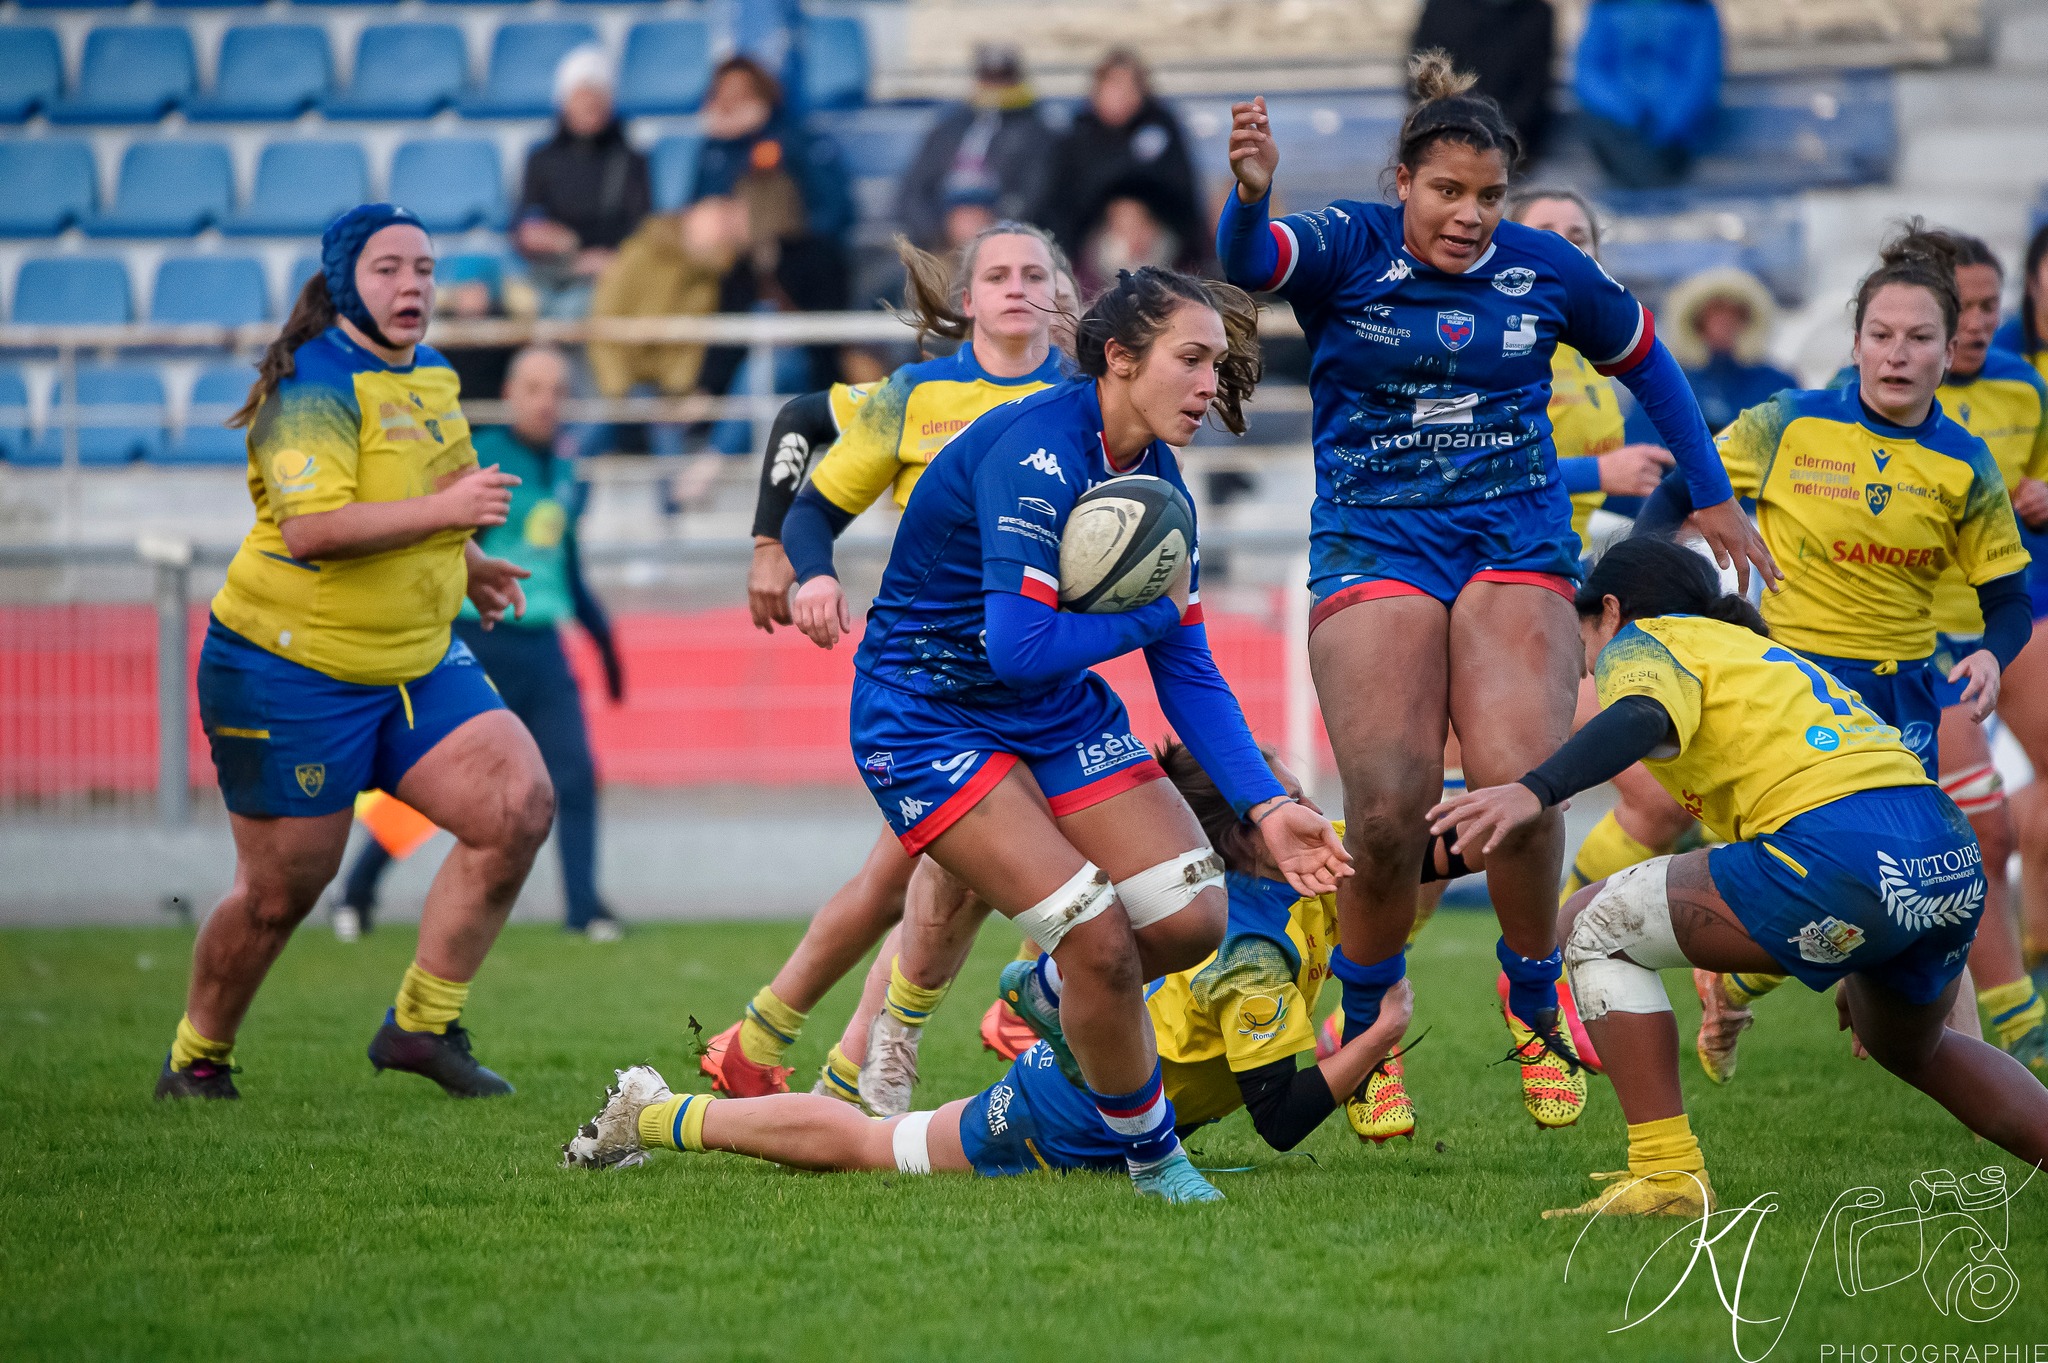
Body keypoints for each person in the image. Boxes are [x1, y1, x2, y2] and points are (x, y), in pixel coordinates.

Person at [1216, 53, 1773, 1140]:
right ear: (1402, 182)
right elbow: (1246, 262)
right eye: (1445, 193)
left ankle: (1530, 1001)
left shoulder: (1543, 269)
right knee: (1385, 810)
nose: (1468, 217)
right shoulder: (1343, 245)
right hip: (1372, 542)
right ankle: (1371, 1026)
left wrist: (1708, 497)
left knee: (1520, 783)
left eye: (1487, 197)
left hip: (1509, 539)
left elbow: (1649, 362)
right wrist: (1248, 192)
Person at [777, 266, 1353, 1203]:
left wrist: (1269, 805)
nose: (1211, 384)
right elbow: (1019, 645)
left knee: (1195, 916)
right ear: (1120, 358)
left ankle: (1044, 994)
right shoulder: (1036, 452)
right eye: (1192, 359)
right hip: (927, 717)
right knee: (1100, 939)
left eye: (1218, 364)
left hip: (1047, 709)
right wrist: (1147, 622)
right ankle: (1153, 1156)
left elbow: (1189, 666)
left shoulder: (1159, 480)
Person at [1432, 535, 2048, 1218]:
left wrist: (1533, 789)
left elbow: (1643, 715)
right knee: (1914, 1045)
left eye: (1581, 629)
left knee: (1589, 925)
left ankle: (1667, 1177)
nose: (1584, 657)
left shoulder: (1645, 640)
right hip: (1942, 849)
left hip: (1845, 851)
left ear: (1609, 609)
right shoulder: (1759, 654)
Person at [559, 743, 1497, 1180]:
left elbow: (1409, 851)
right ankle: (652, 1113)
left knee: (876, 1135)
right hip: (1070, 1112)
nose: (1294, 798)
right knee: (868, 1148)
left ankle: (1036, 997)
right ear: (1246, 830)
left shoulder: (1292, 854)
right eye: (1275, 792)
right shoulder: (1247, 953)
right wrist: (1382, 1032)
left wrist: (1513, 804)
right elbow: (1283, 1118)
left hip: (1114, 1069)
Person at [157, 205, 553, 1101]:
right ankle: (196, 1059)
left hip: (412, 658)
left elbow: (445, 491)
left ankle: (419, 1025)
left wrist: (475, 564)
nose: (411, 285)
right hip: (286, 668)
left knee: (518, 804)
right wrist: (451, 520)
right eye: (386, 269)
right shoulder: (312, 386)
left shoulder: (434, 379)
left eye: (423, 267)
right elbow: (313, 531)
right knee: (279, 893)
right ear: (344, 282)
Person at [1640, 227, 2038, 1076]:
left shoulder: (1966, 465)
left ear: (1949, 350)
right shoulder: (1789, 422)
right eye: (1882, 335)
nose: (1899, 354)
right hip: (1796, 690)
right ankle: (1942, 1063)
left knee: (1915, 893)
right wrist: (1647, 585)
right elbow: (1684, 483)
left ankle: (1748, 990)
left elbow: (2006, 598)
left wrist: (1996, 655)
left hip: (1902, 701)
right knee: (1837, 880)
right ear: (1854, 343)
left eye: (1920, 337)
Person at [700, 225, 1074, 1106]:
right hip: (934, 680)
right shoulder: (918, 394)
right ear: (967, 298)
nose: (1018, 288)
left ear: (1063, 294)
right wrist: (784, 555)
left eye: (1036, 274)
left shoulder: (1093, 394)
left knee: (901, 877)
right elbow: (799, 425)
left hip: (1039, 671)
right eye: (998, 275)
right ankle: (949, 1026)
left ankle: (771, 1042)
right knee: (949, 871)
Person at [331, 345, 628, 943]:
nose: (548, 401)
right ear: (512, 394)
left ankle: (584, 911)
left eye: (558, 390)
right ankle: (356, 893)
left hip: (543, 647)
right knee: (433, 788)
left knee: (573, 777)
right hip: (476, 639)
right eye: (535, 388)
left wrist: (605, 646)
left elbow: (565, 567)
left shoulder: (570, 470)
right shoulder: (483, 460)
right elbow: (442, 551)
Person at [689, 55, 856, 398]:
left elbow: (835, 210)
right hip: (727, 266)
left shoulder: (797, 143)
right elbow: (697, 215)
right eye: (723, 93)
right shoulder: (712, 151)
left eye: (741, 92)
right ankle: (703, 398)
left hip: (799, 266)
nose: (730, 102)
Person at [1034, 50, 1209, 283]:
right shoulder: (1078, 135)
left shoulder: (1163, 128)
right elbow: (1063, 202)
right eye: (1112, 87)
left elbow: (1183, 192)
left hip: (1160, 231)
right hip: (1094, 236)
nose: (1120, 97)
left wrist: (1144, 217)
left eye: (1128, 89)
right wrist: (1114, 214)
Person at [512, 47, 654, 320]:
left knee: (575, 308)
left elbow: (642, 229)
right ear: (564, 101)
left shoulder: (631, 161)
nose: (590, 104)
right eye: (581, 95)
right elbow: (524, 221)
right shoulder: (541, 159)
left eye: (597, 95)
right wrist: (538, 236)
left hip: (607, 275)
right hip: (551, 273)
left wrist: (609, 260)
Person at [895, 44, 1052, 253]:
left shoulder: (1037, 133)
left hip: (1007, 245)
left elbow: (1035, 195)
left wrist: (996, 227)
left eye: (1003, 79)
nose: (995, 87)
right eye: (988, 77)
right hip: (941, 243)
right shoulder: (948, 128)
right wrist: (938, 230)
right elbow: (913, 191)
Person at [1573, 0, 1723, 190]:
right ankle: (1654, 194)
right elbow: (1590, 71)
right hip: (1617, 125)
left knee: (1649, 159)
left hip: (1676, 133)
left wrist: (1667, 120)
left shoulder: (1696, 9)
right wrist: (1626, 112)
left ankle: (1646, 196)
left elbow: (1702, 76)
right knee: (1604, 129)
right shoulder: (1607, 7)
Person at [1408, 0, 1556, 162]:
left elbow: (1532, 93)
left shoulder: (1536, 14)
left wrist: (1497, 142)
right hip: (1444, 142)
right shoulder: (1441, 9)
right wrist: (1452, 136)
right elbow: (1424, 79)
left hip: (1512, 149)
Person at [1660, 266, 1799, 436]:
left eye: (1734, 312)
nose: (1725, 320)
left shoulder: (1776, 385)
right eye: (1716, 310)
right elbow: (1642, 442)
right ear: (1697, 320)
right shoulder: (1668, 385)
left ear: (1746, 320)